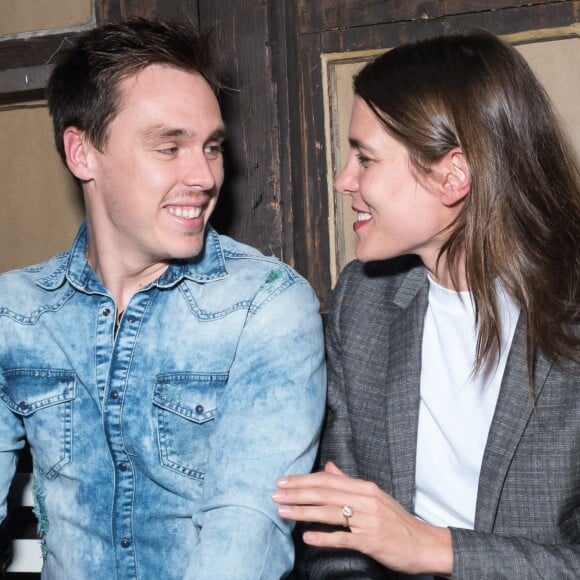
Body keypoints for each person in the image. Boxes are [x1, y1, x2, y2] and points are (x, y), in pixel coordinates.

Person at [0, 18, 326, 579]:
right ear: (82, 153)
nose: (203, 176)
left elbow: (243, 538)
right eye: (168, 146)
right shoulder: (15, 310)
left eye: (212, 147)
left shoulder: (267, 305)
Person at [273, 30, 580, 578]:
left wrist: (432, 547)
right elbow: (336, 544)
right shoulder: (363, 302)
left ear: (452, 175)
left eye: (365, 158)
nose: (344, 180)